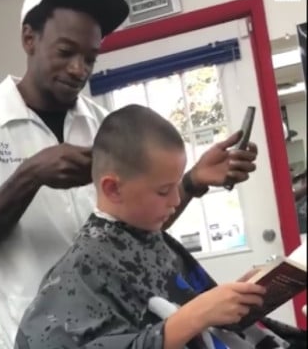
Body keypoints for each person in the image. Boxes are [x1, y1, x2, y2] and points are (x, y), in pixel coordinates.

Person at [0, 0, 259, 346]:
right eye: (66, 51)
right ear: (29, 39)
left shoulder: (103, 124)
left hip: (122, 329)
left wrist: (192, 182)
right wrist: (31, 174)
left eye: (90, 58)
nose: (77, 69)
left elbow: (132, 228)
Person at [15, 105, 306, 348]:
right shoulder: (82, 269)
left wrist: (232, 299)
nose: (177, 198)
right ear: (113, 189)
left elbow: (175, 305)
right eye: (163, 191)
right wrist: (193, 315)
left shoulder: (147, 238)